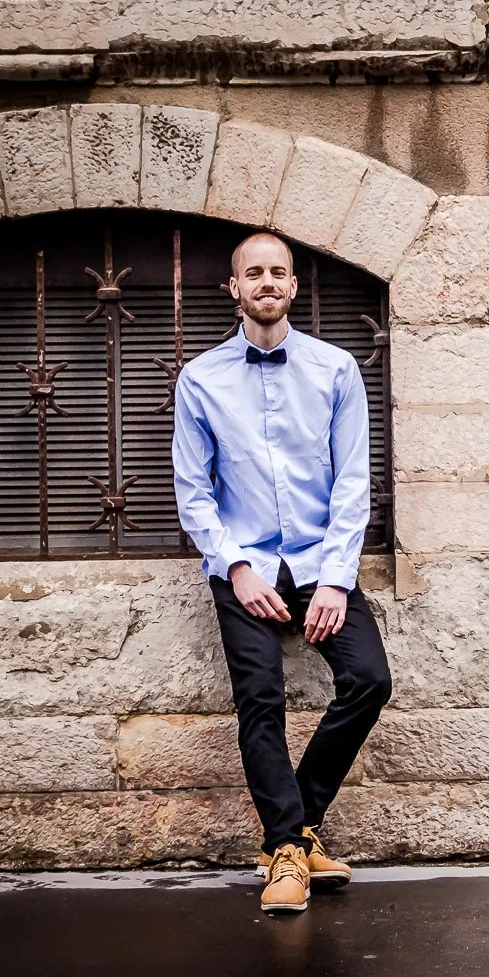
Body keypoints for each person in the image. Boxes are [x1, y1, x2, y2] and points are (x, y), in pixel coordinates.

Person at [173, 232, 392, 913]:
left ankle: (294, 831)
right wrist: (236, 567)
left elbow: (352, 481)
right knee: (261, 700)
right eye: (253, 273)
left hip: (321, 560)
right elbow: (193, 492)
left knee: (369, 680)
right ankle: (289, 854)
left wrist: (336, 579)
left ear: (294, 287)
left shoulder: (336, 370)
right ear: (234, 288)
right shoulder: (200, 379)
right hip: (244, 565)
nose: (266, 282)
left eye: (278, 272)